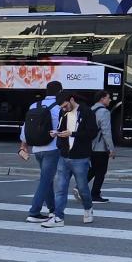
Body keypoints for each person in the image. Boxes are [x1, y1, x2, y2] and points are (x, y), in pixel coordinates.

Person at [43, 92, 96, 228]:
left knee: (82, 187)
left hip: (80, 156)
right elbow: (61, 129)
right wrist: (57, 133)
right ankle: (58, 217)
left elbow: (92, 133)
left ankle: (88, 208)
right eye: (62, 107)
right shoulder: (63, 113)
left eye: (65, 106)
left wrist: (72, 133)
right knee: (60, 188)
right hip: (64, 155)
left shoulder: (86, 112)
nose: (64, 109)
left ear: (71, 100)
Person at [20, 82, 63, 223]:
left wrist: (24, 145)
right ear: (60, 92)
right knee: (45, 180)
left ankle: (52, 209)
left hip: (37, 148)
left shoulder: (34, 105)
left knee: (47, 179)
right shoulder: (59, 107)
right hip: (52, 148)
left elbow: (25, 127)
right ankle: (34, 212)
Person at [87, 90, 115, 203]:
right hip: (100, 146)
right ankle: (95, 193)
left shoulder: (91, 109)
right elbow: (106, 131)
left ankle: (80, 186)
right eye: (108, 98)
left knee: (93, 169)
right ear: (102, 99)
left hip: (90, 145)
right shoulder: (104, 112)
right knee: (101, 171)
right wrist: (111, 148)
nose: (110, 100)